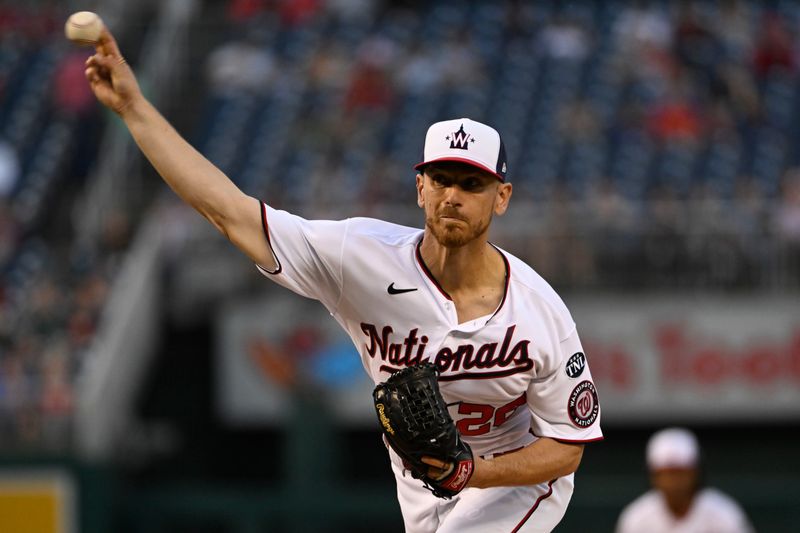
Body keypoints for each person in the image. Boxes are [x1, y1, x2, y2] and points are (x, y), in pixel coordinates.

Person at [84, 27, 603, 533]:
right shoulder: (360, 256)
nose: (453, 195)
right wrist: (135, 109)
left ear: (502, 196)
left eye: (472, 183)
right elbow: (229, 212)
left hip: (516, 483)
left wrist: (476, 472)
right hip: (422, 491)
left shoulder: (539, 311)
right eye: (441, 179)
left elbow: (567, 446)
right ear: (419, 187)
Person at [616, 427, 754, 533]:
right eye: (666, 473)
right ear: (653, 476)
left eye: (680, 473)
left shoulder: (723, 514)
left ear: (695, 473)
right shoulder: (636, 518)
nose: (673, 481)